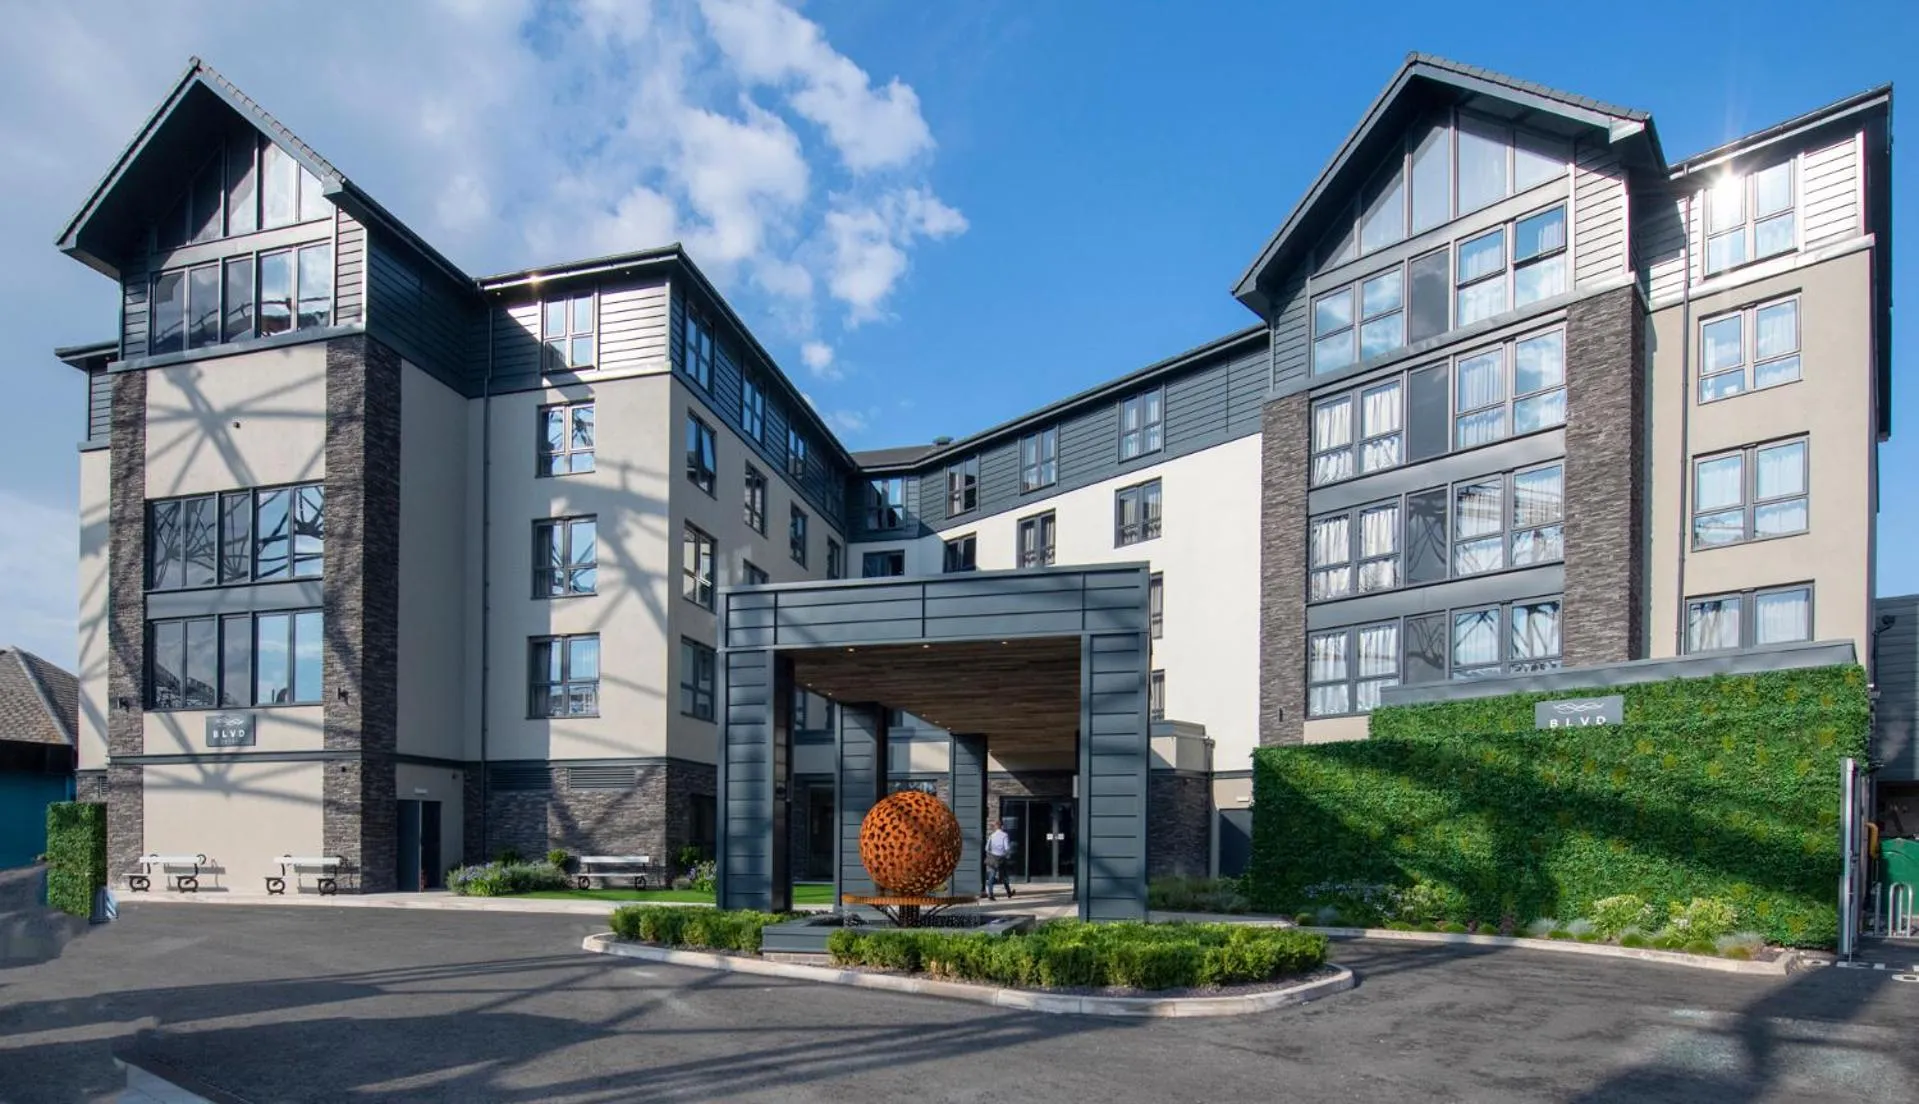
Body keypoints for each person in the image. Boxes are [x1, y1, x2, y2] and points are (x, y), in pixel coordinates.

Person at [983, 820, 1015, 901]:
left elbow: (987, 848)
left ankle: (990, 894)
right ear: (1002, 826)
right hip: (1001, 858)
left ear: (995, 827)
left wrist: (992, 852)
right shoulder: (1005, 835)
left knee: (992, 876)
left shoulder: (992, 835)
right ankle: (1009, 893)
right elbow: (1007, 848)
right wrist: (1006, 854)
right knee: (1004, 876)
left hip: (993, 858)